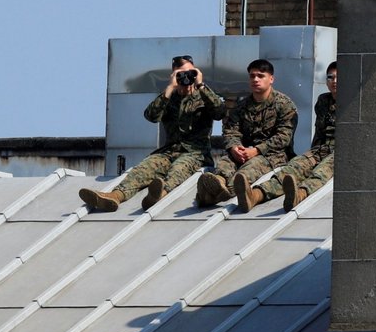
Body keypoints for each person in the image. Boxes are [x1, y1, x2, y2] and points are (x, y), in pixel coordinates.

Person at [79, 54, 226, 212]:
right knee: (143, 168)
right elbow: (151, 116)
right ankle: (115, 196)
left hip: (196, 153)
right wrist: (169, 88)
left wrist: (201, 85)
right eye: (180, 73)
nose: (186, 77)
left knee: (179, 169)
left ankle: (159, 194)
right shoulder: (169, 98)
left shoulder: (204, 96)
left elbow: (220, 112)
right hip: (169, 151)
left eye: (190, 72)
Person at [197, 58, 298, 212]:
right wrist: (234, 148)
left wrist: (256, 151)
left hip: (273, 155)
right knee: (225, 163)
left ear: (271, 79)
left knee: (247, 171)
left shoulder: (284, 104)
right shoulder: (242, 105)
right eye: (252, 76)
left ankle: (220, 193)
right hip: (245, 151)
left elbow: (283, 137)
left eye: (260, 76)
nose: (255, 79)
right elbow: (231, 129)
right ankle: (217, 182)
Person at [241, 61, 337, 213]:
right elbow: (319, 132)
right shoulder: (323, 101)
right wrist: (311, 156)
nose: (334, 81)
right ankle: (256, 195)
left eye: (338, 77)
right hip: (321, 149)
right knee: (293, 167)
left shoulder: (354, 103)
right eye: (330, 77)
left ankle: (299, 195)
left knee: (321, 172)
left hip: (340, 153)